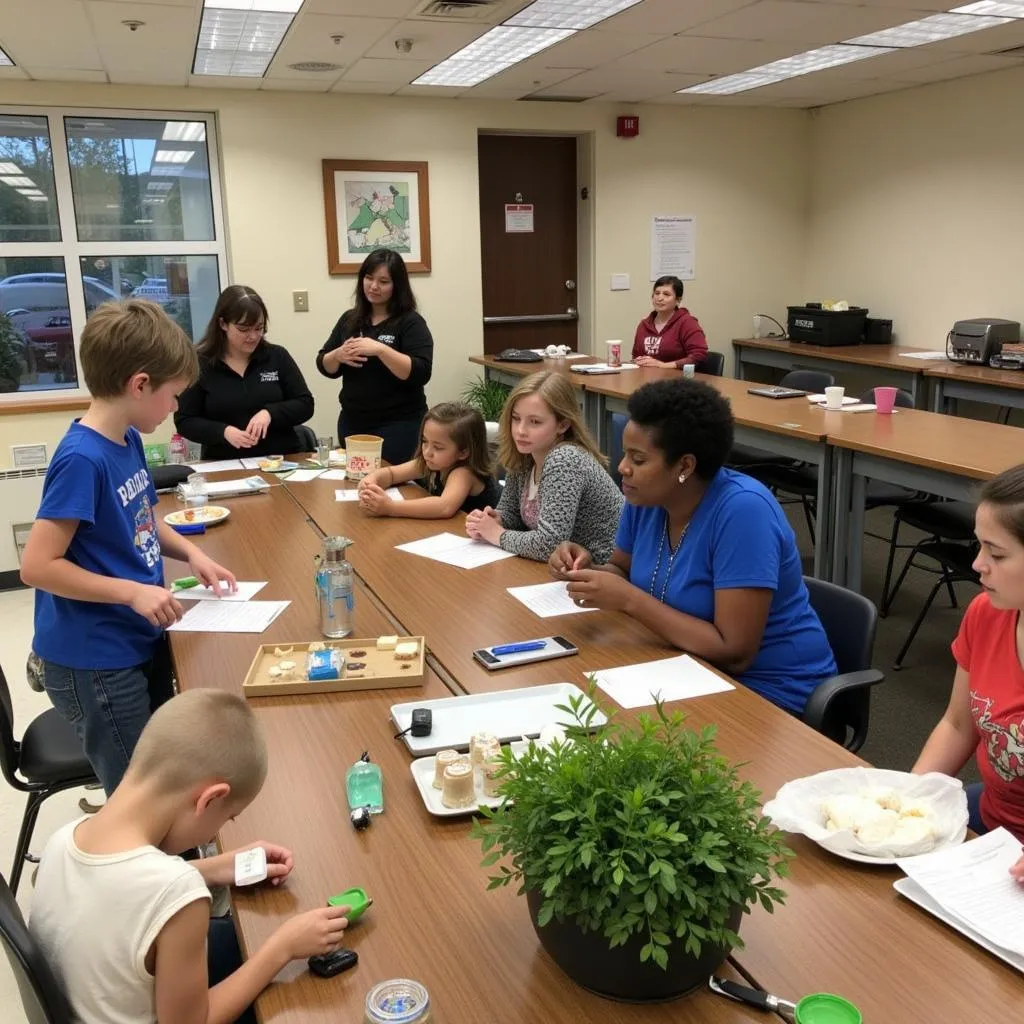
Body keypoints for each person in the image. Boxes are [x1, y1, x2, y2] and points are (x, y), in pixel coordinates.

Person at [20, 300, 237, 795]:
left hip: (135, 638)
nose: (175, 408)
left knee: (166, 771)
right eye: (173, 395)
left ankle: (174, 853)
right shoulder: (82, 458)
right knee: (140, 794)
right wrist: (131, 593)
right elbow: (36, 566)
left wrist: (193, 554)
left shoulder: (127, 439)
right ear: (139, 385)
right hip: (97, 660)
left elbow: (140, 518)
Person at [30, 689, 352, 1024]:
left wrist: (213, 868)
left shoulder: (65, 838)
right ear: (209, 800)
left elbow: (119, 891)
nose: (215, 835)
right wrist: (282, 947)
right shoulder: (178, 894)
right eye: (227, 818)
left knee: (230, 938)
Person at [549, 378, 836, 715]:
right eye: (626, 454)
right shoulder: (644, 498)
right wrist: (588, 570)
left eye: (638, 460)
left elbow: (735, 652)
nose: (623, 467)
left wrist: (628, 599)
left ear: (685, 466)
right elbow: (622, 570)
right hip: (684, 666)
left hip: (769, 692)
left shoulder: (744, 512)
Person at [913, 465, 1024, 878]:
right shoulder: (986, 613)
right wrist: (910, 799)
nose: (978, 565)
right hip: (993, 824)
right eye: (979, 547)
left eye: (996, 554)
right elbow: (959, 723)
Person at [466, 370, 622, 563]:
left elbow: (550, 545)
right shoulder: (526, 454)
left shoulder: (565, 459)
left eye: (535, 422)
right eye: (516, 418)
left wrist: (497, 534)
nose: (520, 431)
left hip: (603, 569)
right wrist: (493, 520)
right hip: (563, 569)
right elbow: (512, 513)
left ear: (562, 425)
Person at [316, 249, 433, 465]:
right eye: (368, 278)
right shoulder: (350, 319)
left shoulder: (410, 322)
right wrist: (338, 355)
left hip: (399, 425)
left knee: (393, 487)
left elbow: (421, 372)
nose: (374, 286)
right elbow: (324, 365)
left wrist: (380, 350)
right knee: (356, 485)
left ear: (397, 286)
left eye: (383, 281)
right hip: (353, 422)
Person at [174, 285, 314, 460]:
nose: (253, 336)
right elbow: (185, 420)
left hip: (282, 460)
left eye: (259, 328)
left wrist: (270, 413)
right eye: (243, 329)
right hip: (225, 463)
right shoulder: (200, 363)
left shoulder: (277, 356)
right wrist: (224, 432)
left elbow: (305, 404)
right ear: (223, 324)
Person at [358, 401, 500, 519]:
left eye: (438, 447)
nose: (427, 452)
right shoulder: (432, 462)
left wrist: (390, 507)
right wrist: (371, 482)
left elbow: (444, 507)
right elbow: (392, 474)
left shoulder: (464, 473)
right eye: (425, 441)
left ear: (463, 452)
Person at [632, 275, 708, 369]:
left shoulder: (687, 323)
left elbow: (699, 356)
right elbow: (635, 355)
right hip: (648, 378)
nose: (660, 298)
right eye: (657, 293)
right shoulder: (644, 325)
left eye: (666, 294)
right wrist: (638, 360)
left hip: (679, 379)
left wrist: (662, 365)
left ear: (678, 300)